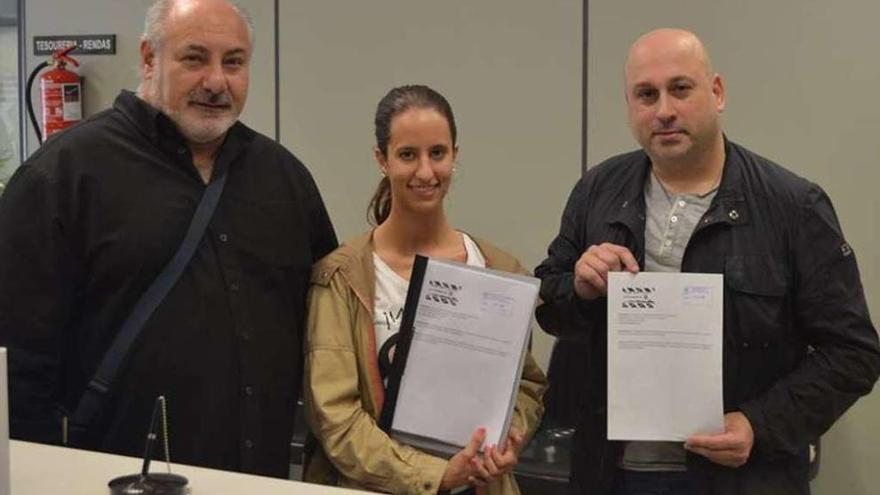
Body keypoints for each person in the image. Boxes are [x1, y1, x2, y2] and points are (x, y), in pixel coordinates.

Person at [535, 28, 880, 495]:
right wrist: (578, 286)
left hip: (742, 478)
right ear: (629, 106)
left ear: (716, 93)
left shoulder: (793, 207)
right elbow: (550, 305)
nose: (664, 110)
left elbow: (854, 354)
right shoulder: (597, 191)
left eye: (680, 89)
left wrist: (759, 425)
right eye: (646, 95)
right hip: (613, 475)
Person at [0, 0, 337, 478]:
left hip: (258, 479)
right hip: (108, 482)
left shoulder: (284, 180)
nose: (217, 81)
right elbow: (17, 366)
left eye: (234, 62)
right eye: (195, 58)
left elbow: (332, 332)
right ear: (148, 58)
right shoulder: (63, 178)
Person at [302, 85, 546, 494]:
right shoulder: (341, 278)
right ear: (381, 159)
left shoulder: (499, 269)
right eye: (407, 155)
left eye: (437, 153)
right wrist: (433, 476)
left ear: (455, 154)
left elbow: (526, 385)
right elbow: (336, 417)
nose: (426, 173)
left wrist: (504, 441)